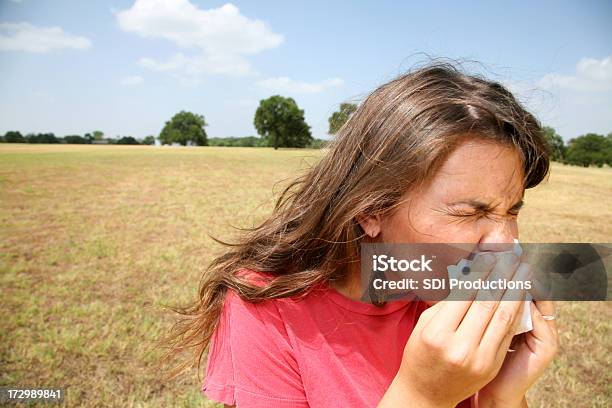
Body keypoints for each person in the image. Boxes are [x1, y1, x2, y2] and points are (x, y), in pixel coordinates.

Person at [163, 61, 559, 407]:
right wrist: (423, 396)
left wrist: (499, 398)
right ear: (371, 209)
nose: (505, 243)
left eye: (512, 211)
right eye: (472, 212)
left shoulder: (437, 294)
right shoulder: (266, 307)